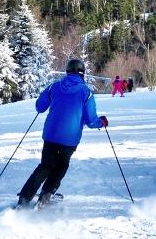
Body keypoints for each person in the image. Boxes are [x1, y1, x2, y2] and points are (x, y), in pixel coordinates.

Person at [16, 59, 106, 208]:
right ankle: (45, 196)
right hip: (70, 139)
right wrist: (101, 122)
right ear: (82, 73)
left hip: (51, 135)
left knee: (45, 165)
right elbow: (91, 121)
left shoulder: (54, 87)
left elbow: (40, 107)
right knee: (62, 165)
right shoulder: (86, 92)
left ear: (67, 71)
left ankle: (24, 198)